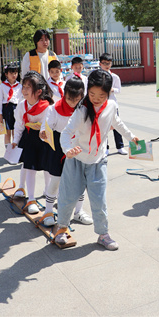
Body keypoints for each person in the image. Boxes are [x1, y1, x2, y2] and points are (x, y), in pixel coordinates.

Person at [54, 70, 139, 250]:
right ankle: (61, 228)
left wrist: (132, 138)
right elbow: (67, 132)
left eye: (101, 95)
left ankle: (103, 234)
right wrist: (68, 150)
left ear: (108, 93)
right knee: (68, 197)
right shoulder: (82, 109)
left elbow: (117, 123)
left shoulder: (111, 107)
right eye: (92, 94)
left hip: (98, 161)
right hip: (76, 160)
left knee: (99, 200)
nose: (96, 98)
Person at [38, 77, 93, 226]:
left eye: (77, 99)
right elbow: (46, 126)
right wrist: (43, 133)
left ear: (82, 96)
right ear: (64, 94)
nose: (73, 103)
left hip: (78, 148)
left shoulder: (84, 109)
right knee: (55, 181)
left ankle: (78, 211)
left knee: (80, 181)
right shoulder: (54, 109)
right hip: (58, 149)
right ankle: (48, 211)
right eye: (69, 99)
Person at [11, 71, 54, 214]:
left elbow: (46, 126)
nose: (24, 90)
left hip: (44, 140)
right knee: (29, 168)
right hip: (29, 139)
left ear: (39, 91)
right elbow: (19, 125)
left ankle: (49, 194)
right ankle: (31, 199)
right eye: (23, 86)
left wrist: (42, 132)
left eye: (28, 87)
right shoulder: (22, 105)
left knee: (48, 169)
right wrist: (15, 141)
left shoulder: (47, 107)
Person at [100, 53, 127, 155]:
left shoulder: (114, 77)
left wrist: (112, 89)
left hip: (112, 104)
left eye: (109, 63)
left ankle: (120, 146)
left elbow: (118, 89)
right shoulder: (98, 75)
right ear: (100, 64)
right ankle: (105, 147)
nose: (107, 65)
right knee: (103, 127)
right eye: (104, 63)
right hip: (101, 104)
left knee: (117, 125)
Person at [0, 63, 22, 148]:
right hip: (6, 110)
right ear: (6, 74)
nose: (14, 75)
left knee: (16, 132)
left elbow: (22, 99)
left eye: (15, 73)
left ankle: (15, 152)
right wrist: (0, 114)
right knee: (7, 133)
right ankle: (8, 151)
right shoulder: (2, 86)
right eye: (11, 73)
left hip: (17, 109)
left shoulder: (20, 86)